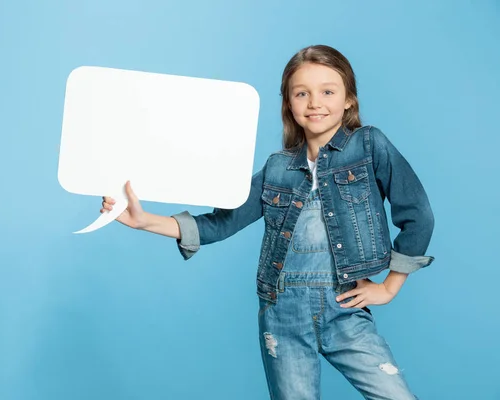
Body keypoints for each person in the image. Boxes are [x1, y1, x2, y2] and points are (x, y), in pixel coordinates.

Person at [100, 44, 434, 400]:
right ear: (289, 104)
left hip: (344, 308)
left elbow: (417, 215)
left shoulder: (369, 146)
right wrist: (143, 220)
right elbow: (221, 223)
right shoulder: (277, 168)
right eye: (301, 93)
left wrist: (389, 287)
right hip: (281, 315)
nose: (314, 102)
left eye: (327, 91)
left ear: (349, 99)